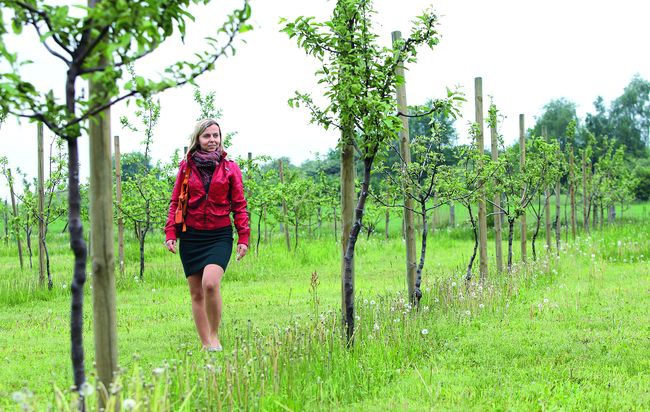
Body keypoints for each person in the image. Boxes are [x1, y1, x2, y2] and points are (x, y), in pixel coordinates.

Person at [164, 118, 249, 352]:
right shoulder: (186, 167)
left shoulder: (231, 167)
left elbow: (239, 205)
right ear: (198, 139)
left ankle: (214, 336)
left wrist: (243, 237)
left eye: (216, 136)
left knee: (210, 284)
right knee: (196, 292)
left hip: (219, 236)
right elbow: (175, 201)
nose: (212, 140)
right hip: (191, 236)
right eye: (207, 136)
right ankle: (205, 344)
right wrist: (170, 231)